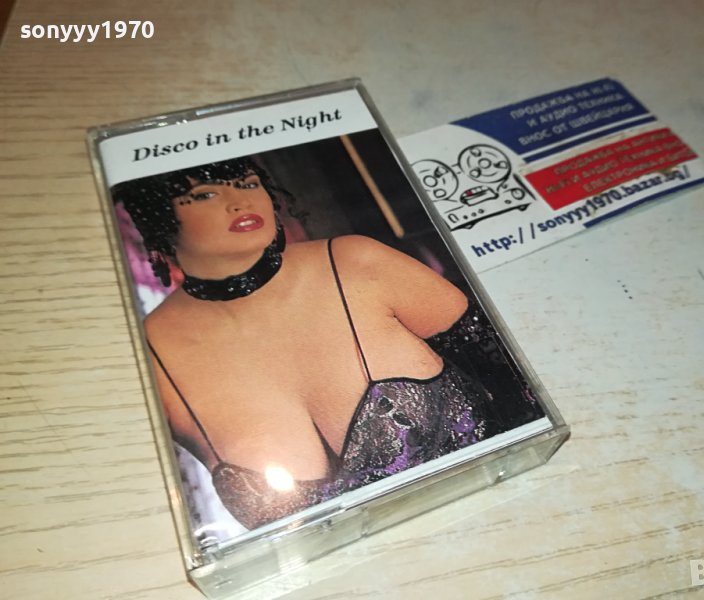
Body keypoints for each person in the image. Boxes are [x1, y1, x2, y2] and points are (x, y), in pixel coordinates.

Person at [113, 156, 494, 530]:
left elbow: (509, 368)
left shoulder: (356, 263)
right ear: (156, 216)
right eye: (205, 194)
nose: (240, 201)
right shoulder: (148, 353)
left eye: (248, 184)